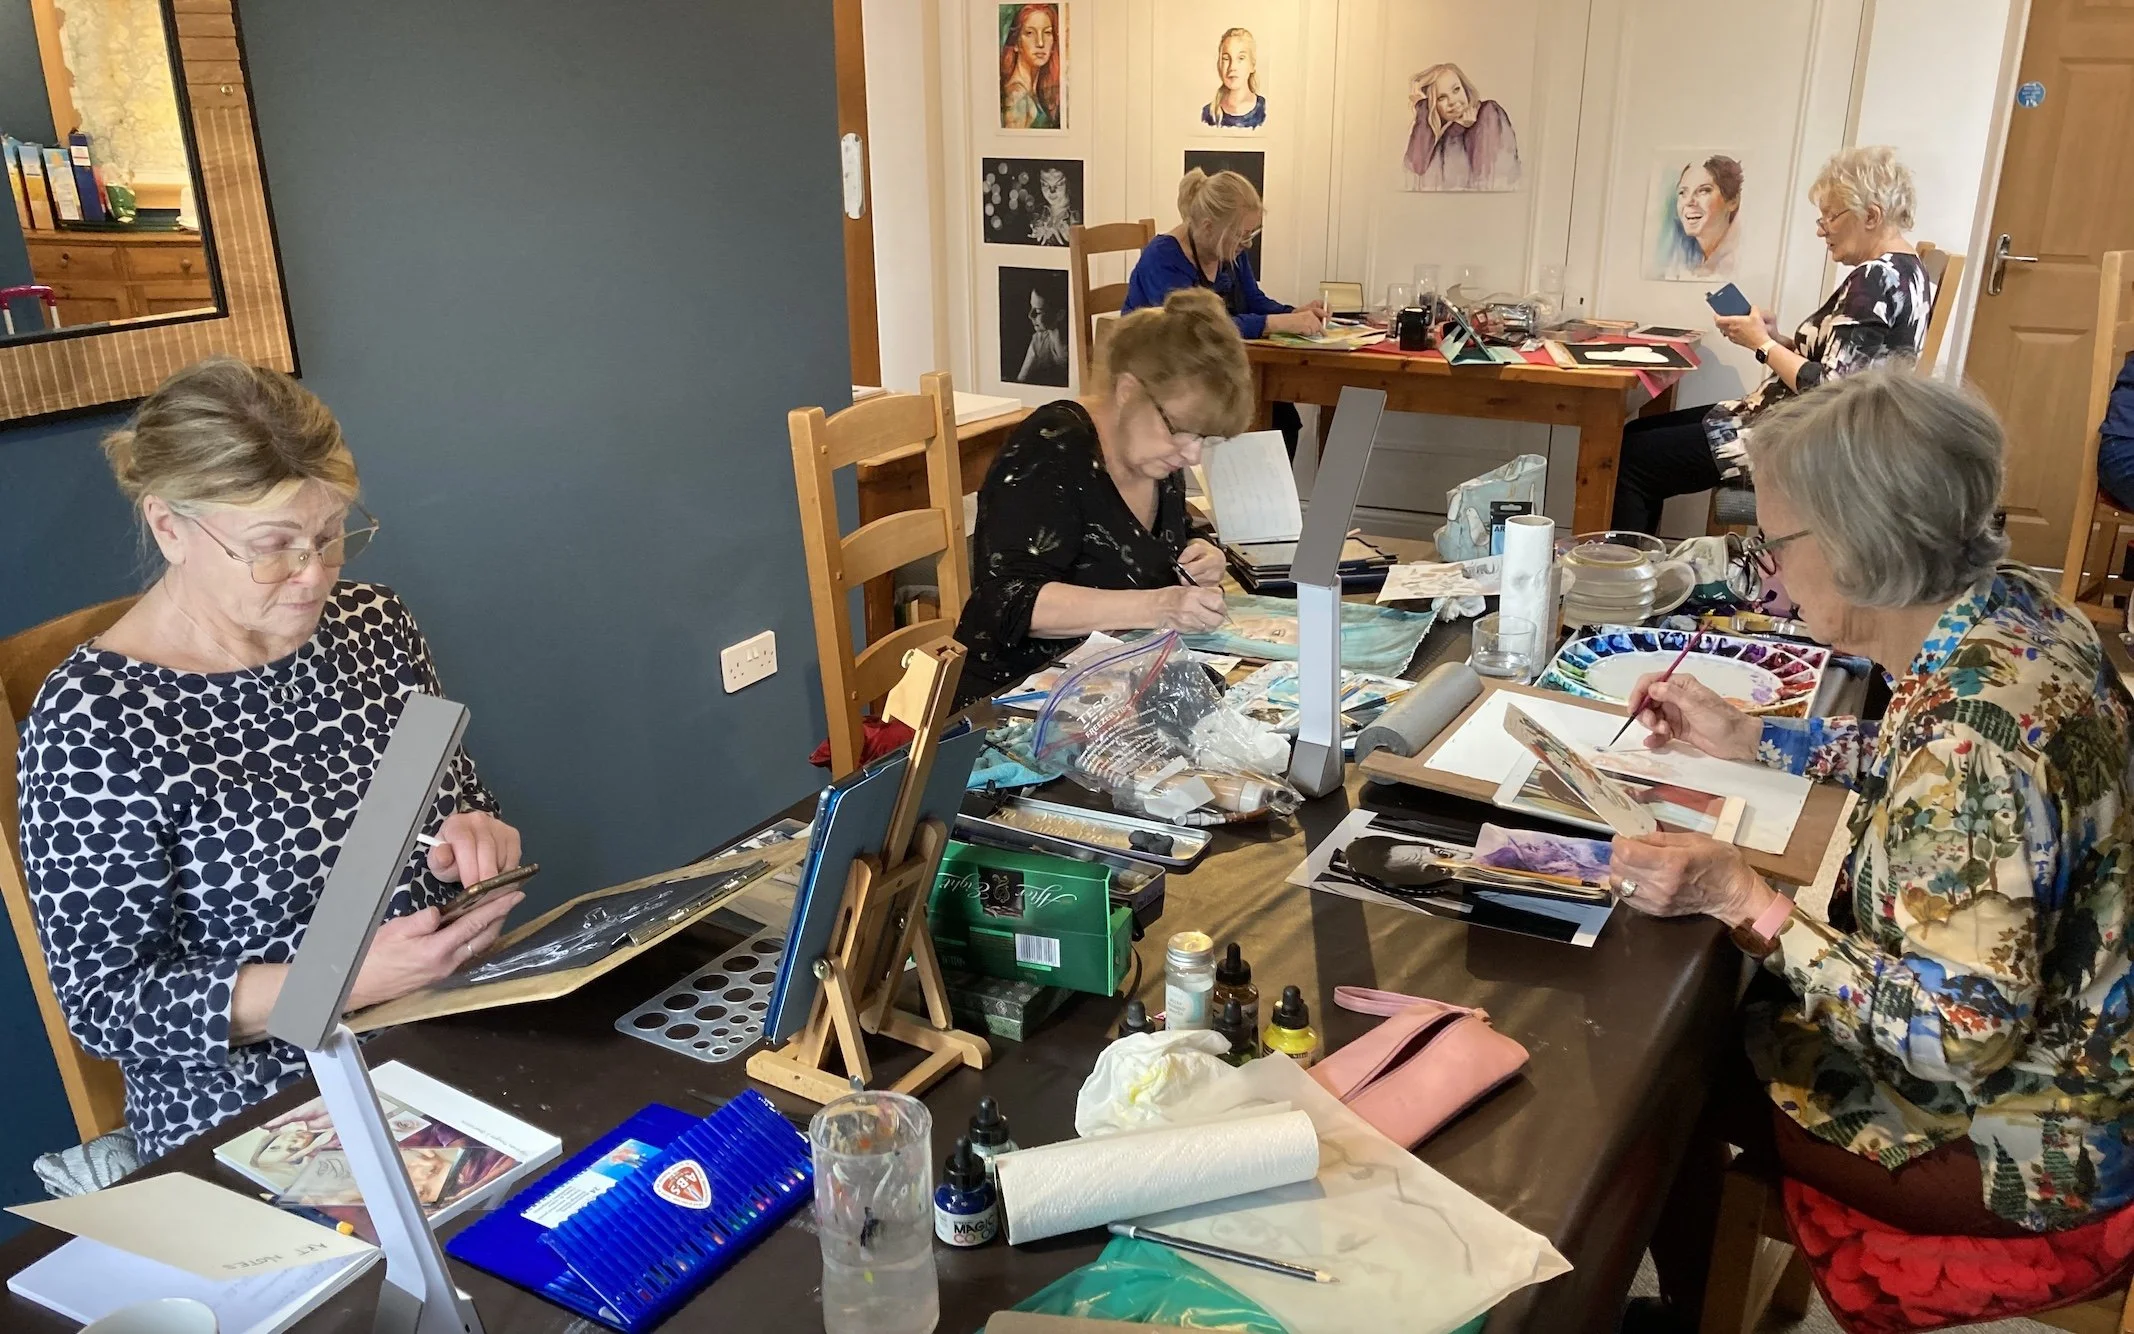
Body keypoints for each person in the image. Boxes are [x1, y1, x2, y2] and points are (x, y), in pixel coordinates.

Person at [1606, 371, 2134, 1330]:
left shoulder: (1966, 752)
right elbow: (1918, 750)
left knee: (1663, 1077)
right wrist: (1754, 738)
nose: (1765, 567)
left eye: (1774, 542)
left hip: (2034, 1145)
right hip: (2087, 1052)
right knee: (1708, 1017)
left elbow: (1960, 1035)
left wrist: (1747, 901)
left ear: (1856, 546)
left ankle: (1684, 1315)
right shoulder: (2018, 613)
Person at [17, 357, 526, 1161]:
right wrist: (337, 983)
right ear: (169, 527)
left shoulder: (374, 625)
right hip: (262, 1108)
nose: (314, 575)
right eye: (273, 547)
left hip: (444, 1026)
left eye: (331, 535)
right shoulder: (96, 721)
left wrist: (475, 836)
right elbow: (109, 1005)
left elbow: (458, 798)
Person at [1611, 145, 1936, 534]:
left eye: (1831, 216)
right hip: (1796, 421)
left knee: (1631, 461)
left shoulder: (1876, 279)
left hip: (1802, 440)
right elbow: (1848, 361)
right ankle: (1636, 561)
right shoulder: (1910, 271)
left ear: (1872, 215)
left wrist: (1761, 345)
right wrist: (1774, 337)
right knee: (1634, 435)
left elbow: (1832, 389)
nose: (1821, 229)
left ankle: (1622, 569)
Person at [952, 287, 1250, 706]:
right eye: (1181, 430)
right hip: (1012, 703)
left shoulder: (1154, 455)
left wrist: (1204, 552)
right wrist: (1160, 605)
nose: (1193, 454)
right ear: (1128, 391)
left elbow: (1169, 536)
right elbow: (1009, 602)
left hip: (1111, 693)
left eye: (1204, 438)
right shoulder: (1051, 449)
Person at [1122, 168, 1323, 455]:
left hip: (1207, 362)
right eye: (1241, 235)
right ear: (1208, 227)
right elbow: (1199, 331)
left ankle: (1259, 484)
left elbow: (1253, 299)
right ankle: (1237, 481)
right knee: (1250, 418)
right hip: (1165, 368)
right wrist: (1275, 323)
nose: (1247, 243)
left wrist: (1294, 314)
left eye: (1251, 234)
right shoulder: (1163, 258)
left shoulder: (1227, 250)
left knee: (1282, 419)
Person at [1403, 63, 1520, 191]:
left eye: (1456, 90)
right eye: (1441, 98)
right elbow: (1415, 167)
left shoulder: (1488, 112)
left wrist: (1459, 132)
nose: (1452, 101)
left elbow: (1486, 181)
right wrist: (1423, 109)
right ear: (1433, 105)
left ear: (1465, 88)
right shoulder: (1444, 132)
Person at [1654, 155, 1743, 280]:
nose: (1689, 201)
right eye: (1682, 192)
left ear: (1732, 201)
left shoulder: (1740, 260)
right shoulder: (1683, 259)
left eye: (1704, 191)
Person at [999, 3, 1061, 130]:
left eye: (1047, 32)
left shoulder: (1035, 93)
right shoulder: (1018, 98)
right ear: (1016, 43)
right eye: (1029, 33)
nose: (1040, 43)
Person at [1201, 27, 1266, 129]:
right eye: (1226, 59)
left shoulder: (1265, 110)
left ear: (1252, 65)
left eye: (1241, 58)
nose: (1232, 67)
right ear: (1219, 65)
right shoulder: (1208, 114)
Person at [1016, 284, 1068, 384]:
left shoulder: (1075, 346)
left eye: (1038, 311)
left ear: (1060, 315)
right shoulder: (1038, 340)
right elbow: (1021, 380)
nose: (1030, 315)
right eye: (1031, 307)